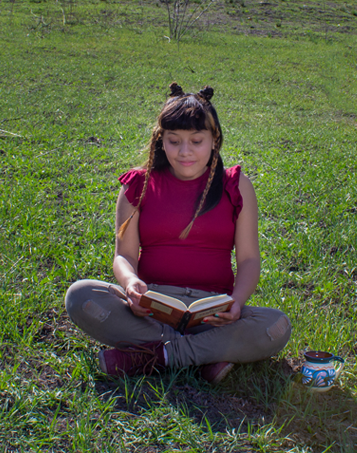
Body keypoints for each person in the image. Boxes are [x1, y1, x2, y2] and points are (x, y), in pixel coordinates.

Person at [64, 83, 291, 384]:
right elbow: (124, 256)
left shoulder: (236, 186)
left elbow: (249, 259)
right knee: (81, 296)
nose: (185, 152)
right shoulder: (138, 184)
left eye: (196, 141)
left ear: (215, 140)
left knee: (276, 325)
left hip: (213, 315)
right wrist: (131, 284)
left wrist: (236, 302)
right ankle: (205, 356)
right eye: (174, 141)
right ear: (161, 140)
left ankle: (154, 355)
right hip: (151, 307)